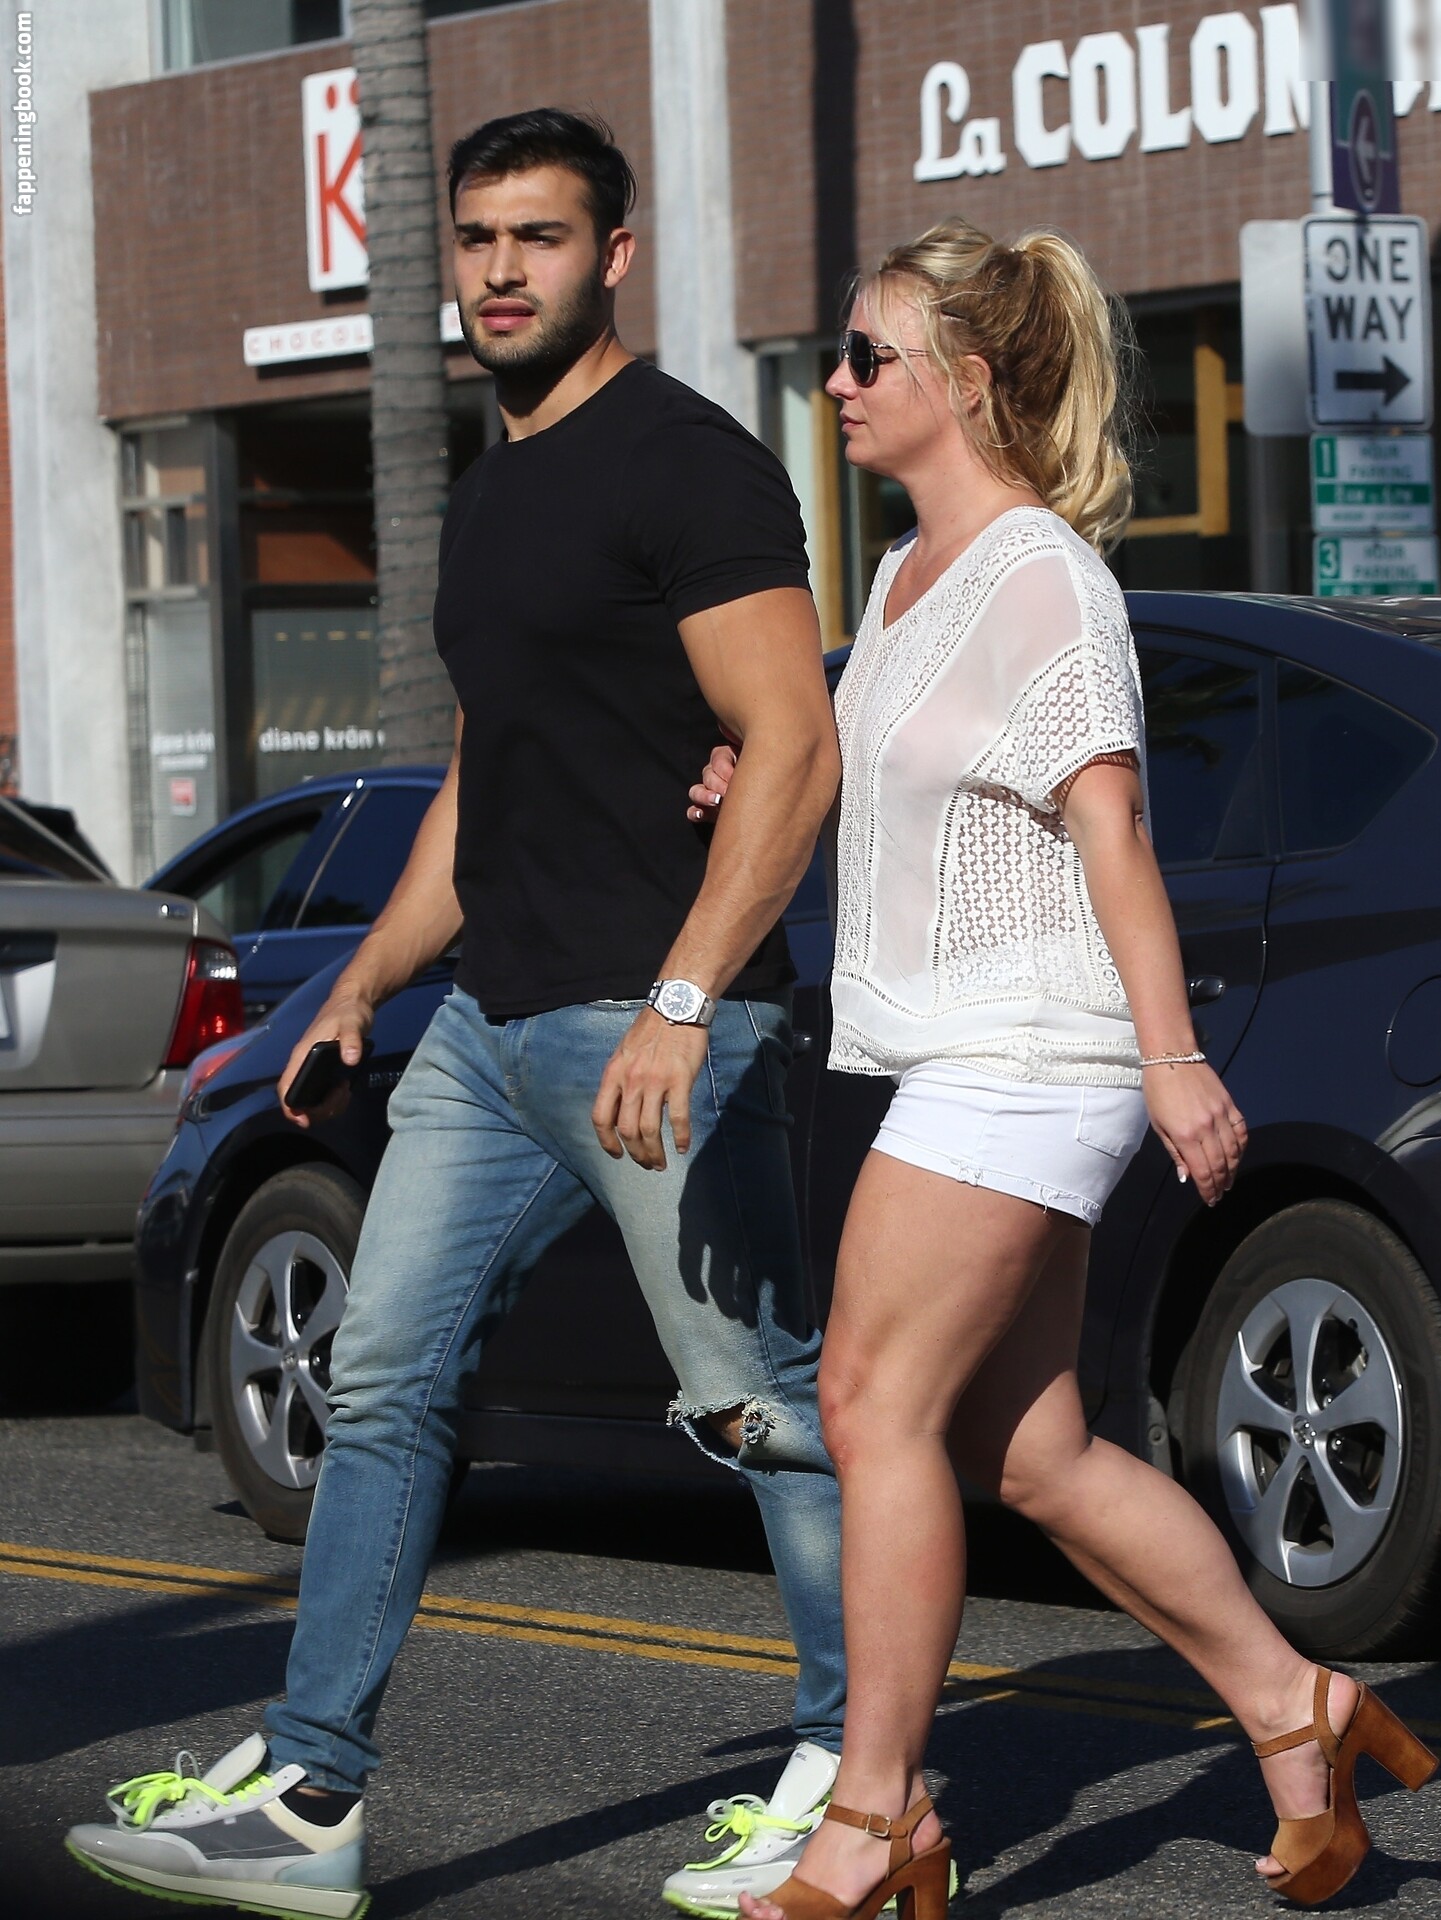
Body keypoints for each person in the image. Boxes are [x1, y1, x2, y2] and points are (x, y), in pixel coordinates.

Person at [66, 109, 848, 1920]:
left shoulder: (690, 463)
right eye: (478, 239)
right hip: (490, 1035)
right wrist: (358, 984)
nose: (500, 271)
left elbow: (793, 745)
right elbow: (483, 779)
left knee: (759, 1409)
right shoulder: (493, 490)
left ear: (613, 256)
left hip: (667, 1030)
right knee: (380, 1383)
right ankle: (313, 1797)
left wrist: (682, 1001)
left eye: (539, 238)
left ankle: (852, 1776)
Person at [688, 219, 1437, 1920]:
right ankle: (1295, 1708)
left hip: (1032, 1048)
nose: (838, 383)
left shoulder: (1046, 580)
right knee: (1034, 1455)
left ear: (964, 382)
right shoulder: (905, 578)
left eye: (867, 356)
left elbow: (1114, 835)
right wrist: (758, 783)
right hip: (958, 1045)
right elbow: (899, 795)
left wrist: (1175, 1061)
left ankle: (877, 1817)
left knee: (872, 1403)